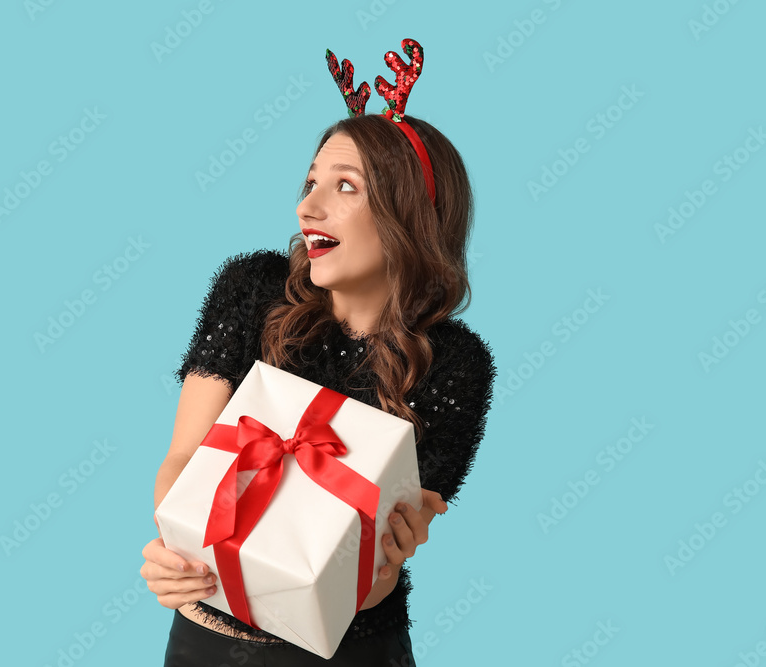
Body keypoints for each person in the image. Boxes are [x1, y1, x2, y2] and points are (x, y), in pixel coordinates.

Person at [142, 40, 496, 666]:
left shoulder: (453, 363)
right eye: (310, 183)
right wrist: (175, 552)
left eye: (345, 186)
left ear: (410, 214)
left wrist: (388, 559)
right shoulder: (253, 290)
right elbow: (184, 458)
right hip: (203, 643)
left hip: (352, 650)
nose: (308, 207)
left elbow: (378, 573)